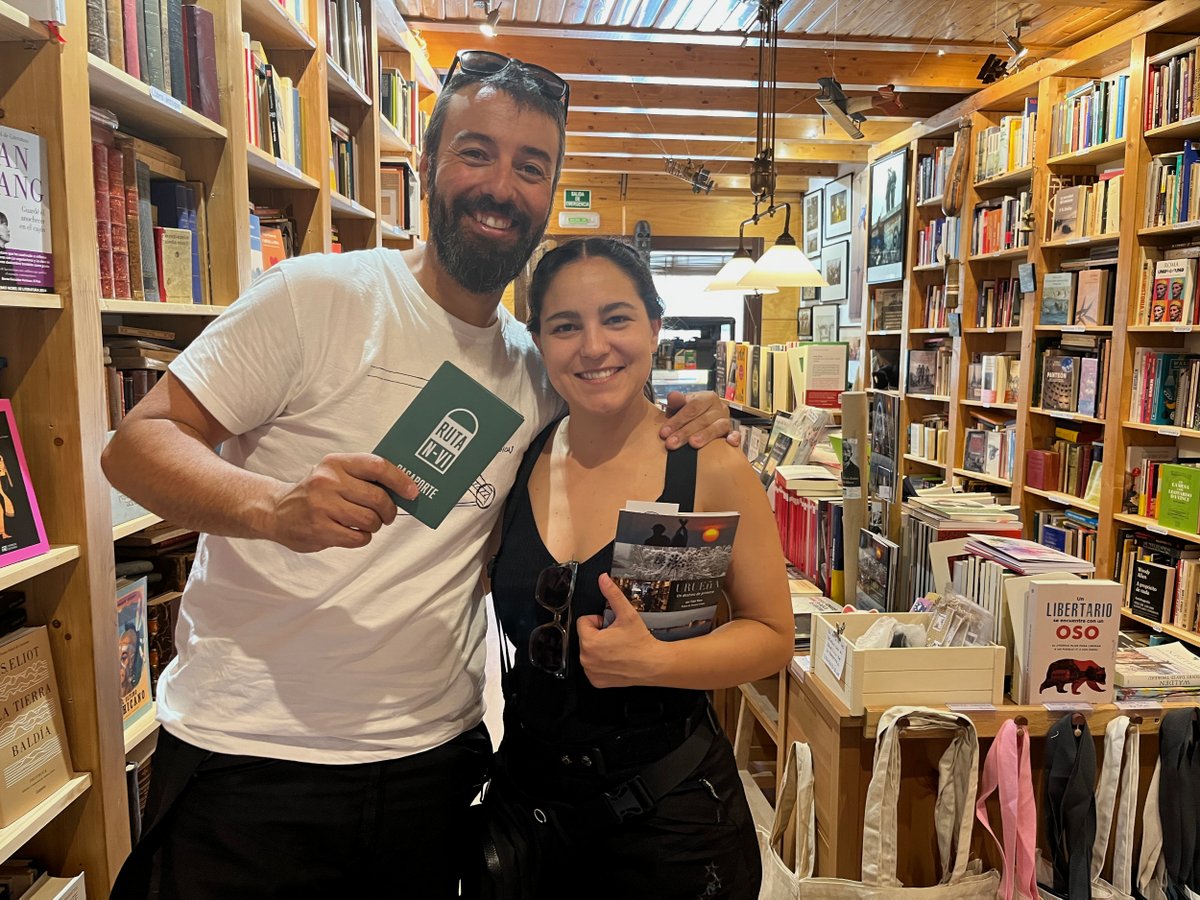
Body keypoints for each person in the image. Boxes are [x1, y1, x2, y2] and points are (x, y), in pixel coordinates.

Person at [103, 52, 733, 898]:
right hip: (251, 759)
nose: (501, 186)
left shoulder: (536, 371)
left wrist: (697, 417)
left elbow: (617, 409)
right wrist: (269, 507)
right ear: (430, 165)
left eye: (530, 166)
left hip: (436, 767)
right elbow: (136, 444)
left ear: (549, 195)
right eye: (477, 152)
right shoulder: (316, 296)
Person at [488, 237, 793, 899]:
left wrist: (656, 663)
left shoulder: (707, 465)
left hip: (670, 827)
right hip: (528, 817)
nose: (594, 346)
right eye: (565, 325)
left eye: (617, 318)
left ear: (656, 328)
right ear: (538, 340)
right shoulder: (520, 455)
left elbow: (772, 634)